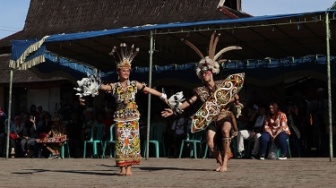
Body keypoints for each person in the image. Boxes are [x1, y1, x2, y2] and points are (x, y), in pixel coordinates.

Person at [76, 43, 168, 176]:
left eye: (128, 71)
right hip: (120, 117)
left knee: (132, 141)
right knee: (121, 142)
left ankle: (129, 167)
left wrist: (162, 95)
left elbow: (147, 89)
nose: (126, 73)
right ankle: (121, 167)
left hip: (132, 117)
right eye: (123, 71)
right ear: (118, 72)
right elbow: (104, 88)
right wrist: (91, 85)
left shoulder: (134, 84)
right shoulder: (115, 86)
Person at [161, 31, 243, 172]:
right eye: (203, 72)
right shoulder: (200, 91)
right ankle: (219, 159)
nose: (205, 74)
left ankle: (224, 164)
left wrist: (235, 100)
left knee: (225, 131)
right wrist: (174, 110)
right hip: (210, 118)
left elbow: (234, 94)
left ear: (212, 71)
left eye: (207, 72)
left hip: (225, 116)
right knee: (210, 143)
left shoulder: (223, 84)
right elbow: (188, 102)